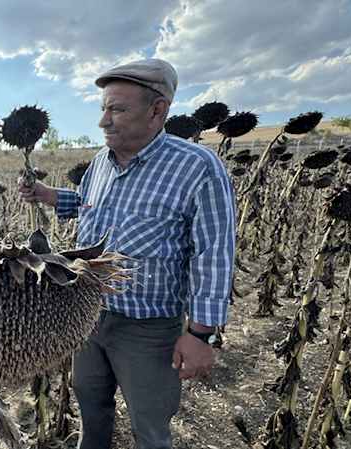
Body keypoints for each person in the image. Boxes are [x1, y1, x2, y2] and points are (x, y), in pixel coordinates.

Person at [17, 59, 235, 449]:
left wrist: (202, 335)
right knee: (91, 411)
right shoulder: (101, 162)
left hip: (148, 329)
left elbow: (213, 253)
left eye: (116, 109)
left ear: (157, 110)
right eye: (103, 108)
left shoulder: (198, 167)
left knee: (149, 429)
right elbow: (91, 205)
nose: (103, 121)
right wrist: (52, 197)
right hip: (87, 316)